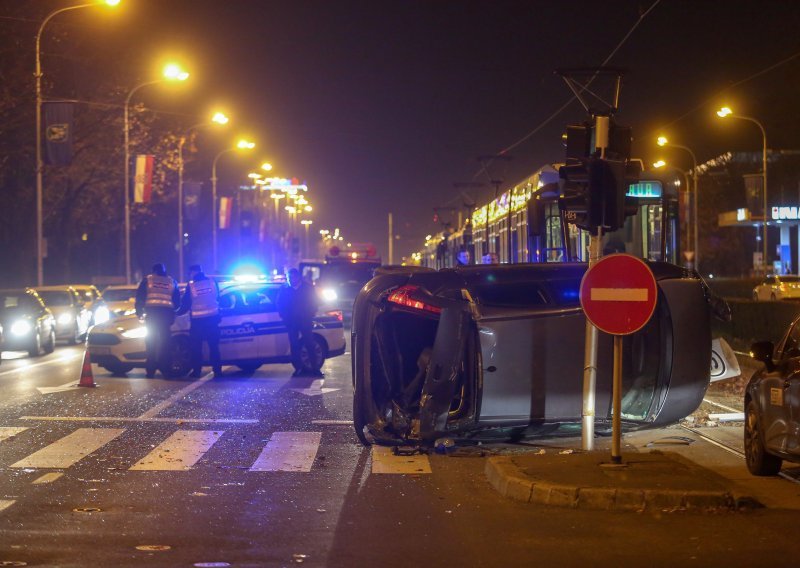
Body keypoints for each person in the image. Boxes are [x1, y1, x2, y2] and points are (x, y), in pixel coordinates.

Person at [176, 264, 222, 378]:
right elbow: (219, 298)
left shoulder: (191, 286)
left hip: (198, 322)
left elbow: (186, 303)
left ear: (193, 272)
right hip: (212, 320)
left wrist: (176, 313)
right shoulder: (212, 282)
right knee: (214, 347)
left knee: (196, 348)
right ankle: (217, 371)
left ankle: (197, 371)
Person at [135, 263, 180, 378]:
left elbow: (140, 297)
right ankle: (166, 371)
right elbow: (177, 301)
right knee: (166, 343)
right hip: (166, 316)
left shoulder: (148, 280)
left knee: (151, 342)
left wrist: (139, 312)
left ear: (153, 271)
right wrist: (174, 312)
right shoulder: (171, 282)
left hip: (152, 315)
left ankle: (150, 371)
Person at [277, 267, 321, 377]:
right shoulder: (285, 289)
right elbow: (279, 304)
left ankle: (315, 369)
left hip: (305, 320)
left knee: (310, 344)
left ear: (298, 277)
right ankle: (298, 369)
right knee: (294, 346)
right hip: (291, 322)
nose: (291, 279)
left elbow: (314, 302)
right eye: (289, 277)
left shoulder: (308, 288)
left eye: (293, 277)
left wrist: (311, 314)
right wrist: (285, 318)